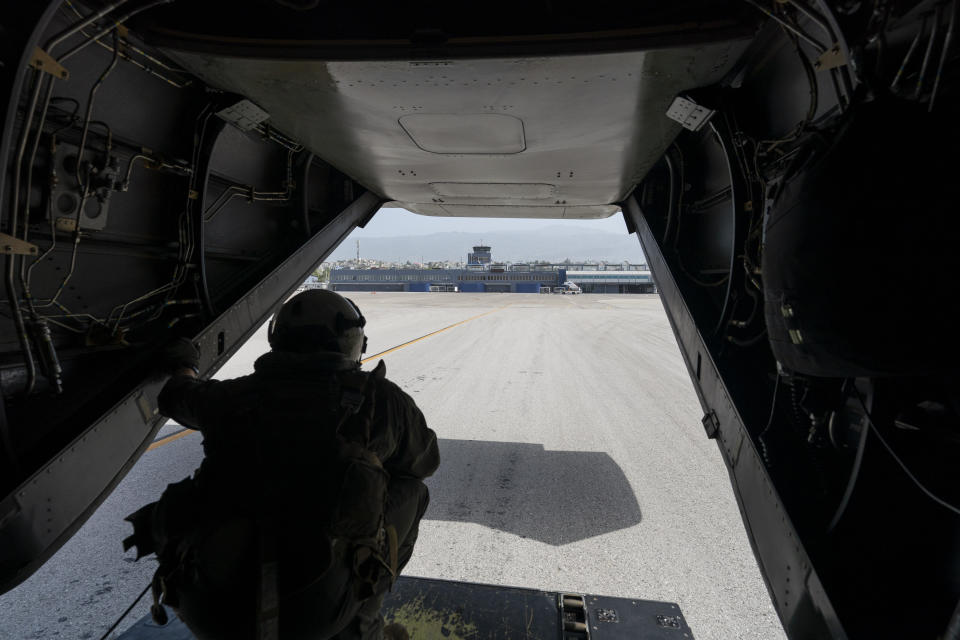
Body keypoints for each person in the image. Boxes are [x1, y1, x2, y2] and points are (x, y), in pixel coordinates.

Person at [123, 289, 440, 640]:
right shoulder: (381, 400)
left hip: (211, 610)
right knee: (413, 489)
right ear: (352, 341)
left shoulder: (230, 398)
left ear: (278, 338)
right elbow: (424, 461)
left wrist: (185, 363)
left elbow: (175, 395)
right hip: (317, 615)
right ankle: (365, 621)